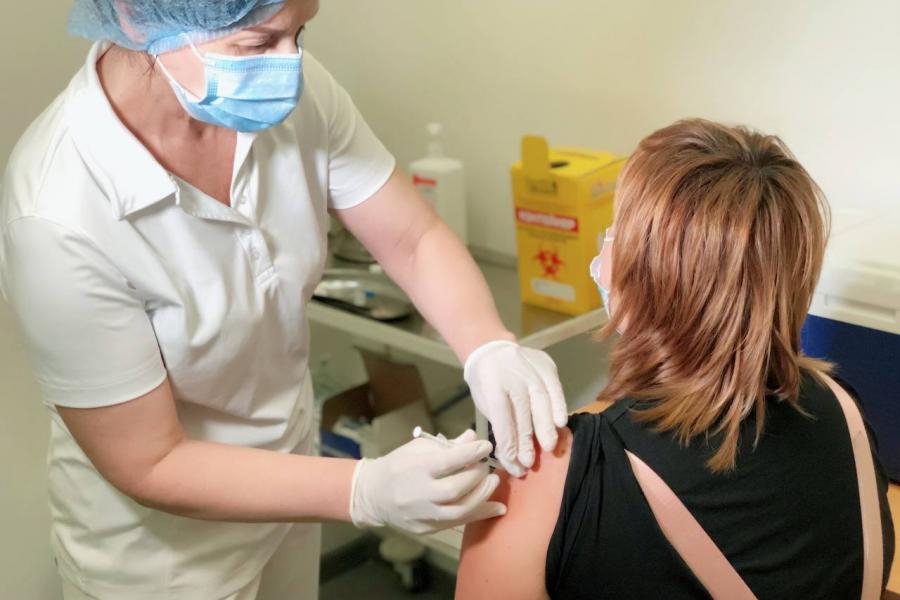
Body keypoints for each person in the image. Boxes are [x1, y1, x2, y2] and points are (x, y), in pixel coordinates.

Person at [0, 1, 569, 598]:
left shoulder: (287, 91)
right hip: (163, 559)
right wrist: (362, 490)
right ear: (136, 15)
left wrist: (487, 344)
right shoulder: (56, 214)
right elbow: (152, 462)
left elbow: (412, 237)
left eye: (300, 31)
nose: (290, 62)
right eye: (258, 42)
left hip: (290, 501)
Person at [456, 119, 895, 599]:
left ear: (645, 277)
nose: (605, 248)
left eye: (617, 230)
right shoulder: (844, 412)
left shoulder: (547, 481)